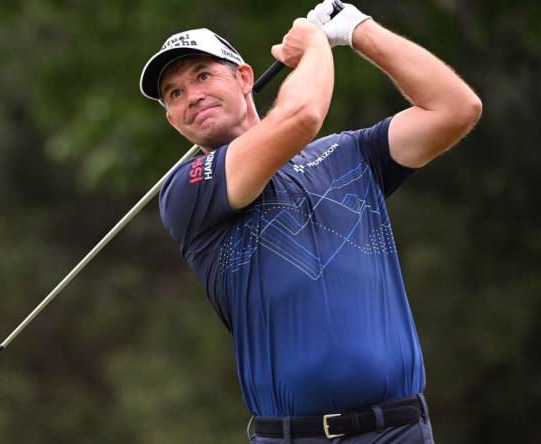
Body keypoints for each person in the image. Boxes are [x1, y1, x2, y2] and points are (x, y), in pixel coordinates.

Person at [139, 1, 481, 442]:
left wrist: (360, 31)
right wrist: (316, 45)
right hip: (292, 436)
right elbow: (301, 117)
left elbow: (456, 108)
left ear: (245, 78)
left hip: (398, 430)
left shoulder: (349, 154)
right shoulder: (188, 191)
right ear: (172, 120)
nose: (192, 96)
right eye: (175, 94)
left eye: (203, 76)